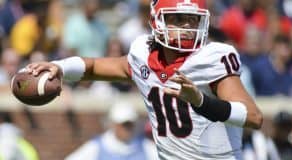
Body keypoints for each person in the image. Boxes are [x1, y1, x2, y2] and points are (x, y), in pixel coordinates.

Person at [24, 0, 263, 159]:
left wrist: (200, 101)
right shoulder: (143, 53)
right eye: (179, 19)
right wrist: (59, 67)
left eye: (193, 19)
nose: (188, 26)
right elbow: (96, 66)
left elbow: (253, 117)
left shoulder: (213, 57)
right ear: (157, 20)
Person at [65, 100, 157, 160]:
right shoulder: (96, 146)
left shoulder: (145, 146)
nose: (126, 128)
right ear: (114, 124)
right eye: (123, 124)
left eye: (129, 124)